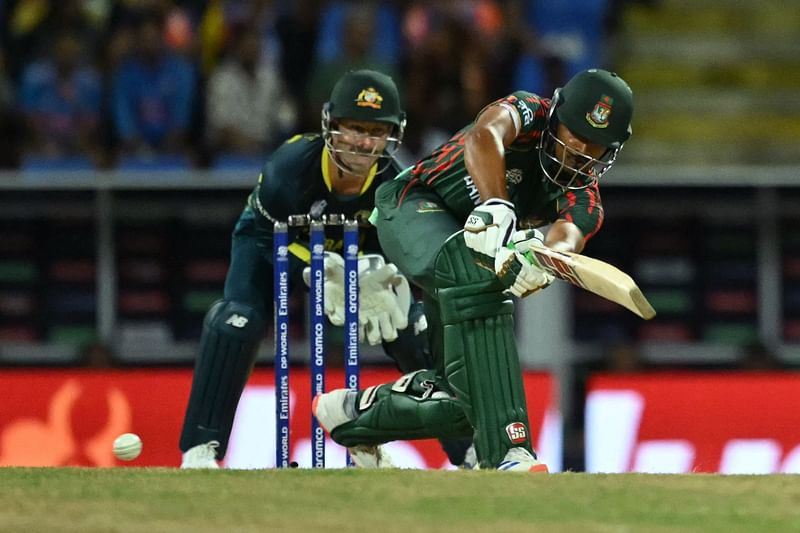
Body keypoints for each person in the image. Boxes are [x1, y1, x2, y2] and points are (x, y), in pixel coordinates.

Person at [313, 68, 635, 472]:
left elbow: (566, 237)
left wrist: (543, 259)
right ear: (557, 116)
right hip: (413, 206)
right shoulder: (529, 113)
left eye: (596, 147)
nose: (580, 152)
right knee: (480, 279)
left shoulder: (585, 199)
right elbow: (485, 134)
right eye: (575, 135)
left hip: (466, 251)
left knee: (468, 399)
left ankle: (351, 416)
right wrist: (495, 204)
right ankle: (509, 452)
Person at [180, 69, 441, 468]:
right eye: (354, 128)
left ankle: (468, 451)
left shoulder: (394, 187)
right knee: (236, 321)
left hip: (349, 260)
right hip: (272, 244)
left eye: (376, 131)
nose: (363, 142)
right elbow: (269, 240)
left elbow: (393, 255)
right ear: (330, 127)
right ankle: (201, 447)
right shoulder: (290, 167)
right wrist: (321, 269)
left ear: (393, 134)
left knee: (411, 328)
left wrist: (377, 281)